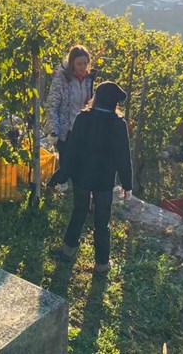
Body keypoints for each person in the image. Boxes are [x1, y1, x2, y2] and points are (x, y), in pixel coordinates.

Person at [53, 81, 133, 273]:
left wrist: (61, 175)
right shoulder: (118, 124)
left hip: (81, 176)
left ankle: (67, 251)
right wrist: (127, 184)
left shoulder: (83, 118)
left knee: (79, 211)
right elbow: (123, 156)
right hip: (104, 180)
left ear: (96, 98)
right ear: (115, 103)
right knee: (102, 221)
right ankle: (102, 264)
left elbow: (72, 149)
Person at [45, 45, 97, 188]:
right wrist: (54, 129)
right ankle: (55, 185)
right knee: (67, 164)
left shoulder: (89, 80)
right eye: (79, 64)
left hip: (84, 129)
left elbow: (91, 102)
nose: (83, 67)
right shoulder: (62, 79)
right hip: (66, 129)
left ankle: (75, 190)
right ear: (72, 63)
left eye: (85, 63)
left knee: (81, 163)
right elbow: (52, 105)